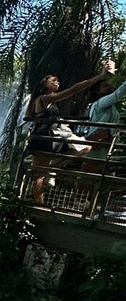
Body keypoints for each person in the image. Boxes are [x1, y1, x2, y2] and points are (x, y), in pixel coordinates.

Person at [27, 62, 112, 204]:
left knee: (84, 147)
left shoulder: (46, 101)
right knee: (39, 176)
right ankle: (39, 204)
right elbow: (73, 90)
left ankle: (51, 171)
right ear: (44, 85)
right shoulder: (45, 98)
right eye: (53, 80)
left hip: (48, 138)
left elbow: (50, 118)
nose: (57, 81)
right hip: (43, 139)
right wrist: (99, 77)